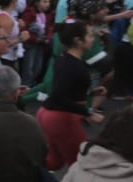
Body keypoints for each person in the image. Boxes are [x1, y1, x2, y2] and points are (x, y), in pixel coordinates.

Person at [37, 21, 103, 171]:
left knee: (54, 162)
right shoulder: (74, 65)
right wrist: (89, 112)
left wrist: (91, 92)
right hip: (61, 118)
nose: (93, 38)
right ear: (78, 41)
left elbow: (64, 89)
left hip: (49, 114)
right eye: (89, 35)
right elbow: (59, 96)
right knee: (80, 165)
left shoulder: (63, 58)